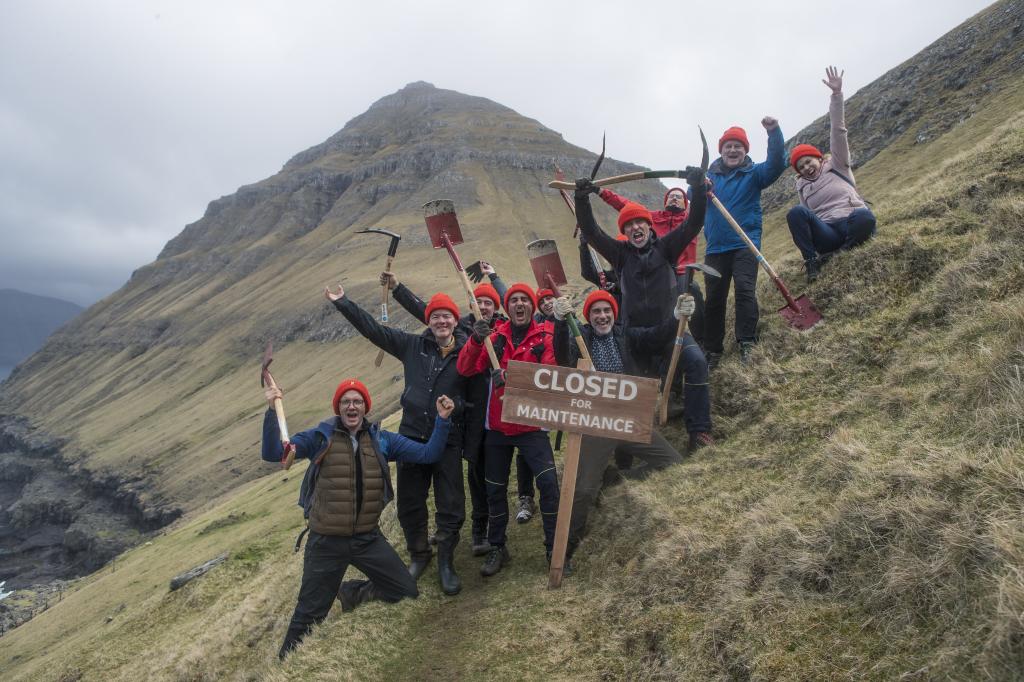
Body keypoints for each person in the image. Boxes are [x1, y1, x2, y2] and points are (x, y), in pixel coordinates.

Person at [264, 379, 454, 659]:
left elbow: (428, 454)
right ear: (338, 408)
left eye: (357, 401)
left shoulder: (382, 440)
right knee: (309, 615)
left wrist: (443, 420)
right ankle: (283, 668)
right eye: (345, 402)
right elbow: (274, 454)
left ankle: (353, 593)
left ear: (365, 407)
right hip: (326, 542)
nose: (351, 406)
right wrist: (271, 410)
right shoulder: (319, 438)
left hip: (367, 539)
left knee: (405, 591)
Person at [379, 270, 538, 552]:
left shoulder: (504, 328)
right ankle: (478, 530)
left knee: (496, 472)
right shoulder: (464, 330)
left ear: (496, 306)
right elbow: (427, 312)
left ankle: (495, 526)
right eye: (478, 301)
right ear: (471, 306)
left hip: (504, 410)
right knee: (476, 473)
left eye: (489, 302)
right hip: (474, 418)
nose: (484, 306)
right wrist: (398, 289)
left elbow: (526, 319)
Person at [326, 284, 466, 596]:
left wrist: (459, 407)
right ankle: (419, 554)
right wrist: (343, 303)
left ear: (455, 321)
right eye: (436, 317)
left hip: (449, 440)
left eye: (447, 317)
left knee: (451, 502)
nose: (441, 321)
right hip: (412, 436)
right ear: (428, 321)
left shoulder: (467, 354)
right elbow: (374, 331)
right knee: (410, 501)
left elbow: (476, 393)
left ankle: (446, 562)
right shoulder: (411, 346)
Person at [550, 292, 695, 568]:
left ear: (613, 313)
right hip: (595, 425)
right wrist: (558, 321)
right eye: (596, 312)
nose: (602, 316)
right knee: (582, 491)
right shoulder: (579, 338)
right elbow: (560, 355)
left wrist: (677, 316)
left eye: (606, 310)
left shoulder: (627, 336)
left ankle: (618, 478)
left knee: (672, 462)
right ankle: (566, 549)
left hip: (628, 419)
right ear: (588, 317)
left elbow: (656, 335)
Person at [456, 283, 560, 577]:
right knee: (495, 490)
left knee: (549, 485)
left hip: (531, 423)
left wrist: (513, 377)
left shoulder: (545, 337)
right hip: (498, 425)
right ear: (507, 306)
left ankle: (553, 546)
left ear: (531, 306)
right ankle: (498, 547)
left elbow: (550, 375)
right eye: (513, 300)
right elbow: (465, 369)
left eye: (524, 300)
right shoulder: (494, 338)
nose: (519, 304)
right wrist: (476, 340)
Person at [573, 168, 706, 379]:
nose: (634, 227)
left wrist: (698, 189)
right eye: (628, 225)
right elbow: (591, 232)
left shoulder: (666, 248)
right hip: (633, 338)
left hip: (668, 330)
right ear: (624, 232)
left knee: (697, 362)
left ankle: (681, 402)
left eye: (639, 222)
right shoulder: (619, 254)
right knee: (640, 387)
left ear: (649, 225)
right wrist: (581, 199)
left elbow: (694, 223)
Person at [702, 118, 788, 368]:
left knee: (744, 290)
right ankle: (713, 350)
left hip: (745, 245)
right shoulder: (709, 179)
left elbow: (776, 164)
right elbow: (691, 196)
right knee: (714, 300)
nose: (732, 150)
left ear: (745, 150)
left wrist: (774, 132)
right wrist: (696, 182)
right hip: (715, 248)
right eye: (728, 146)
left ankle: (746, 342)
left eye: (738, 146)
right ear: (721, 150)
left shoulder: (754, 174)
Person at [787, 67, 876, 282]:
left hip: (850, 222)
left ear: (818, 158)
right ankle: (811, 263)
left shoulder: (837, 164)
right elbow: (807, 217)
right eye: (801, 167)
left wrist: (837, 95)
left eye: (808, 161)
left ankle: (842, 252)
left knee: (864, 217)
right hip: (827, 232)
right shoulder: (802, 186)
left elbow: (838, 130)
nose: (807, 168)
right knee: (796, 213)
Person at [598, 186, 705, 347]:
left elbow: (699, 214)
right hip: (659, 272)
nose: (674, 198)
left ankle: (700, 340)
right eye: (670, 196)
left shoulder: (689, 220)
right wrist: (601, 192)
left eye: (679, 196)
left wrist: (702, 188)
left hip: (683, 273)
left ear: (685, 203)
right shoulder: (651, 218)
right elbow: (626, 205)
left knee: (693, 292)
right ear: (665, 201)